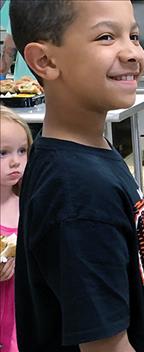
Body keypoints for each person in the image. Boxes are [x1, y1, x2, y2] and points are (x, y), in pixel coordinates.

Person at [8, 1, 144, 351]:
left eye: (133, 35)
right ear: (45, 61)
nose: (133, 52)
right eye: (106, 36)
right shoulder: (78, 191)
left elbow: (130, 229)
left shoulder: (79, 149)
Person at [0, 106, 33, 352]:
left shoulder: (28, 205)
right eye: (3, 153)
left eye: (22, 151)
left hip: (22, 313)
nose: (15, 161)